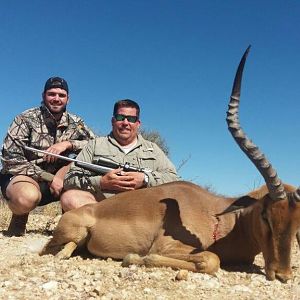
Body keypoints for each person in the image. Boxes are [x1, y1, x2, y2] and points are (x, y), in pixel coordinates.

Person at [0, 76, 95, 236]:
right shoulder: (25, 119)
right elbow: (10, 159)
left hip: (61, 179)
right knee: (26, 198)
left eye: (61, 95)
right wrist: (50, 178)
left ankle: (68, 227)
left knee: (82, 194)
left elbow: (95, 146)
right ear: (43, 96)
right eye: (52, 94)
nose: (56, 99)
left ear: (68, 99)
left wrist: (68, 144)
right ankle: (19, 219)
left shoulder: (77, 122)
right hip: (26, 177)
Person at [61, 99, 179, 211]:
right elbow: (69, 180)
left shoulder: (153, 149)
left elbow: (173, 178)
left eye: (131, 119)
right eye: (120, 117)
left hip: (144, 212)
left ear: (138, 123)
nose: (125, 123)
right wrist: (101, 182)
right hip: (103, 211)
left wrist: (145, 179)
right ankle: (106, 228)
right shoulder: (94, 145)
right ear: (113, 121)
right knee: (70, 198)